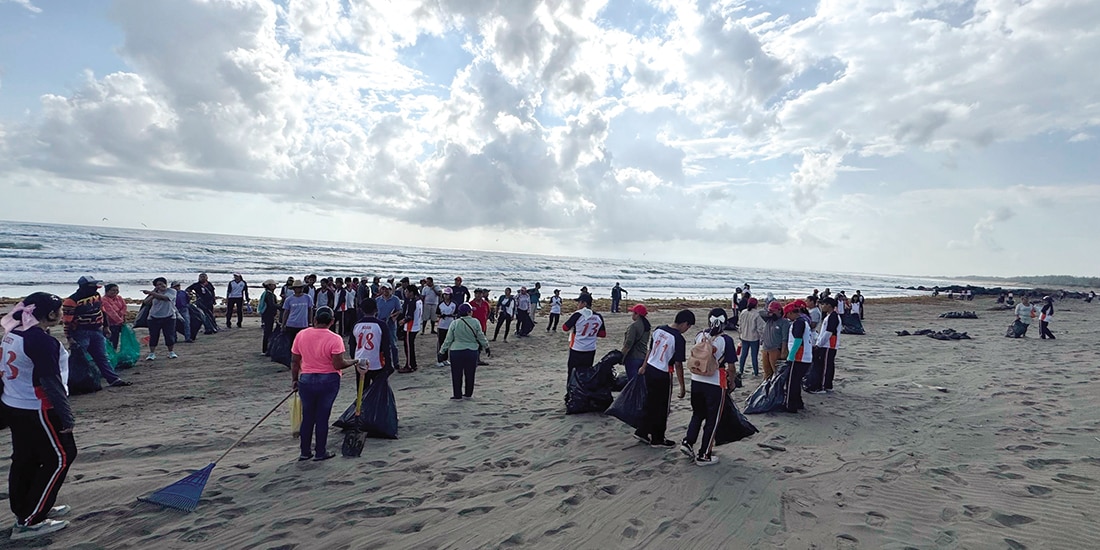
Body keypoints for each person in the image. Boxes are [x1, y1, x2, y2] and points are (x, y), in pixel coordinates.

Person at [1, 293, 79, 540]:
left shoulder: (13, 333)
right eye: (59, 311)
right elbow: (51, 382)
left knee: (27, 458)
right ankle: (30, 520)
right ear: (52, 314)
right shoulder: (41, 341)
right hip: (36, 408)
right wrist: (66, 416)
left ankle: (29, 508)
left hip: (13, 404)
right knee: (61, 457)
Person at [291, 307, 362, 461]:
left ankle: (305, 452)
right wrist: (354, 361)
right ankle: (320, 452)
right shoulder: (335, 338)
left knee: (308, 416)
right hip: (328, 380)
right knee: (322, 417)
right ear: (332, 321)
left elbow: (295, 361)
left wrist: (295, 380)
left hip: (307, 379)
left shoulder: (301, 335)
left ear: (315, 320)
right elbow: (338, 364)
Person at [680, 308, 738, 466]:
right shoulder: (726, 340)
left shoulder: (700, 335)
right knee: (712, 419)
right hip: (715, 383)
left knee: (697, 414)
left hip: (696, 379)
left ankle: (688, 441)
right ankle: (704, 454)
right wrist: (731, 382)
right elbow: (731, 366)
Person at [635, 310, 694, 447]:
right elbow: (678, 364)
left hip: (650, 367)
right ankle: (658, 438)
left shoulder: (659, 329)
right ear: (685, 323)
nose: (687, 329)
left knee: (650, 401)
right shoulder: (678, 338)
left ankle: (642, 430)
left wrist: (644, 366)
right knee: (662, 407)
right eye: (688, 326)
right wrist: (682, 386)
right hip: (662, 372)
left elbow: (650, 350)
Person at [62, 276, 130, 387]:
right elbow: (67, 321)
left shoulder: (96, 296)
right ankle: (71, 382)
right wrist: (69, 337)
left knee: (101, 356)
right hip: (80, 332)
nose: (96, 288)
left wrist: (105, 326)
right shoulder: (71, 301)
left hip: (96, 330)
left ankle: (113, 379)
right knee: (78, 358)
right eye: (92, 285)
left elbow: (102, 312)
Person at [439, 303, 491, 399]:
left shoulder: (455, 323)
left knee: (456, 374)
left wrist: (442, 352)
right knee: (470, 374)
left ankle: (457, 394)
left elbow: (448, 339)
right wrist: (486, 346)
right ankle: (468, 393)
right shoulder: (475, 322)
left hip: (456, 351)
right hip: (471, 351)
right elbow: (481, 336)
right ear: (468, 312)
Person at [561, 293, 606, 392]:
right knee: (586, 373)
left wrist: (580, 331)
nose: (578, 305)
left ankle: (570, 392)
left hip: (577, 348)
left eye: (579, 303)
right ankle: (583, 392)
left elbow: (565, 327)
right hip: (590, 349)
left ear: (584, 303)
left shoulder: (578, 315)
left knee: (572, 373)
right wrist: (591, 333)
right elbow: (602, 334)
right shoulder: (598, 316)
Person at [351, 299, 393, 392]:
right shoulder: (381, 325)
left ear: (361, 310)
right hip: (377, 362)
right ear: (376, 310)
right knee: (379, 390)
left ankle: (362, 405)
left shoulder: (356, 325)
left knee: (362, 390)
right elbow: (386, 346)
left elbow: (352, 346)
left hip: (360, 361)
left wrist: (354, 360)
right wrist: (389, 364)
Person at [805, 297, 840, 394]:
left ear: (829, 305)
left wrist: (819, 344)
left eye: (824, 304)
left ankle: (822, 386)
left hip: (829, 345)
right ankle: (827, 385)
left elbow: (829, 332)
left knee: (825, 366)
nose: (822, 306)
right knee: (827, 365)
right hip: (827, 344)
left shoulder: (833, 316)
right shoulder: (829, 316)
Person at [783, 300, 813, 413]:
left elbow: (798, 341)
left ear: (791, 313)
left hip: (799, 357)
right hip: (805, 357)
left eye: (787, 316)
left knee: (791, 382)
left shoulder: (798, 323)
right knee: (796, 381)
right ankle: (798, 402)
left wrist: (790, 357)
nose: (787, 318)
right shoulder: (804, 322)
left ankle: (790, 405)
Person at [142, 277, 179, 361]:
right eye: (157, 285)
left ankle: (171, 352)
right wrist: (153, 293)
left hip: (169, 316)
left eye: (161, 284)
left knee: (169, 335)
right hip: (153, 317)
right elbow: (146, 302)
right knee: (154, 335)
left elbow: (165, 298)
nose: (160, 286)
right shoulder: (154, 293)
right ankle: (152, 353)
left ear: (166, 284)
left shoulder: (171, 291)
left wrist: (151, 292)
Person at [374, 282, 402, 372]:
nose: (385, 291)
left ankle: (396, 363)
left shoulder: (395, 299)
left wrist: (393, 315)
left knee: (393, 344)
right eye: (383, 289)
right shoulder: (378, 300)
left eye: (387, 289)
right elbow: (374, 311)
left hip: (390, 323)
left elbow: (399, 310)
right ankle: (383, 362)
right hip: (380, 323)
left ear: (391, 290)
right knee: (380, 344)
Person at [620, 304, 651, 380]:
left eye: (633, 313)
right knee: (640, 381)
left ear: (637, 314)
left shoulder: (634, 326)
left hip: (633, 357)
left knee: (632, 382)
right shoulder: (647, 326)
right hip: (643, 356)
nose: (632, 315)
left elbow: (628, 344)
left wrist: (622, 357)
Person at [759, 300, 788, 379]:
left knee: (776, 371)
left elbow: (784, 338)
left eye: (773, 311)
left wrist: (783, 352)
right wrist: (769, 313)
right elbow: (761, 312)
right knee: (767, 371)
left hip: (775, 349)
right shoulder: (769, 319)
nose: (771, 313)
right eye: (770, 311)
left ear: (779, 310)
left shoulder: (784, 322)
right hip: (765, 349)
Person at [280, 279, 314, 343]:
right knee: (292, 343)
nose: (299, 289)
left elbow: (310, 311)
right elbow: (286, 312)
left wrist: (310, 322)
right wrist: (283, 324)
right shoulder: (289, 299)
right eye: (297, 288)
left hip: (303, 324)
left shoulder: (308, 298)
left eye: (301, 287)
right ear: (294, 289)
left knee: (303, 343)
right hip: (291, 324)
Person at [737, 298, 764, 377]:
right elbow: (760, 328)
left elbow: (740, 324)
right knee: (754, 356)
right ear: (756, 305)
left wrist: (740, 334)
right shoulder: (757, 314)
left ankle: (741, 370)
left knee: (743, 355)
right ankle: (755, 372)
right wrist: (762, 337)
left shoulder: (743, 312)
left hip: (744, 336)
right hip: (754, 337)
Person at [399, 286, 423, 373]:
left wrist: (403, 321)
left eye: (407, 292)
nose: (405, 293)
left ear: (411, 293)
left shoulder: (413, 302)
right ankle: (413, 364)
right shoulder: (419, 300)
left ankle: (409, 365)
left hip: (410, 327)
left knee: (408, 347)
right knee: (410, 346)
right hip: (416, 326)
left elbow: (410, 316)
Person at [469, 289, 492, 366]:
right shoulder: (470, 304)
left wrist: (485, 320)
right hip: (472, 327)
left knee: (480, 344)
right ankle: (473, 359)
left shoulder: (485, 304)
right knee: (472, 343)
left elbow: (488, 313)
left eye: (479, 294)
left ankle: (477, 359)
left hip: (482, 326)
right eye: (476, 293)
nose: (478, 295)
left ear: (482, 294)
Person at [435, 287, 457, 366]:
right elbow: (437, 314)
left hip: (450, 325)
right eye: (445, 294)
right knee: (441, 342)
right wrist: (442, 316)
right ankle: (439, 360)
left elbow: (457, 314)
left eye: (448, 295)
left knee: (448, 342)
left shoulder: (454, 304)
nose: (446, 296)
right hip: (442, 325)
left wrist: (451, 315)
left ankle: (445, 359)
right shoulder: (440, 304)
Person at [101, 283, 127, 350]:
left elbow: (124, 307)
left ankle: (114, 353)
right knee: (108, 340)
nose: (115, 292)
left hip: (118, 322)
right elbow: (110, 312)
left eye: (116, 290)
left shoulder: (119, 298)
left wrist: (121, 315)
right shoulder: (104, 300)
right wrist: (119, 320)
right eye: (113, 290)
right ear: (107, 291)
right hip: (108, 323)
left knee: (115, 340)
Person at [259, 279, 279, 355]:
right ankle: (266, 350)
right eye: (274, 285)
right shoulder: (269, 295)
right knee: (268, 332)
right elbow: (272, 305)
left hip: (266, 314)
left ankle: (266, 349)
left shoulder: (266, 293)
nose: (275, 286)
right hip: (268, 315)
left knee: (267, 331)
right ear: (269, 286)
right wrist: (281, 307)